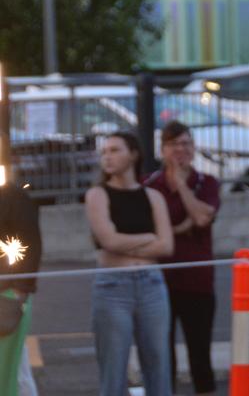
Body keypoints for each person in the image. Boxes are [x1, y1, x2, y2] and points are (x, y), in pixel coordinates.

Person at [84, 132, 174, 396]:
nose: (107, 157)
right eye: (104, 152)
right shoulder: (97, 195)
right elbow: (108, 240)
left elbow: (167, 246)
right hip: (113, 285)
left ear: (133, 154)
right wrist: (148, 238)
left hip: (152, 284)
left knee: (158, 362)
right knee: (113, 367)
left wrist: (130, 242)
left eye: (115, 150)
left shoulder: (153, 197)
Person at [143, 122, 220, 396]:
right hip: (158, 282)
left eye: (186, 143)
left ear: (194, 148)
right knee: (162, 356)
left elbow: (201, 217)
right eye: (174, 145)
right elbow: (146, 231)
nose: (181, 150)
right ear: (163, 150)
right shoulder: (150, 186)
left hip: (198, 282)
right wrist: (177, 228)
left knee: (200, 355)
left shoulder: (206, 182)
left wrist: (182, 188)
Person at [0, 176, 42, 396]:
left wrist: (19, 291)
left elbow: (29, 241)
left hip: (5, 296)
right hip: (9, 295)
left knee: (9, 373)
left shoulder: (11, 196)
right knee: (17, 373)